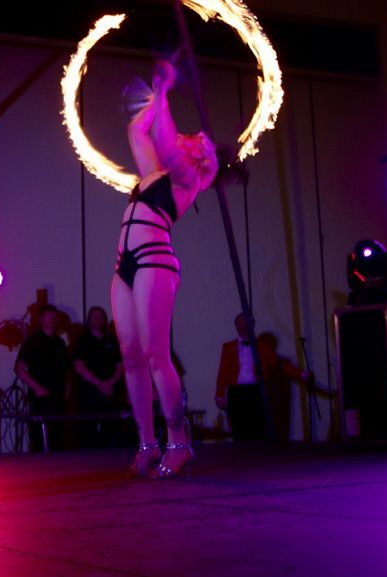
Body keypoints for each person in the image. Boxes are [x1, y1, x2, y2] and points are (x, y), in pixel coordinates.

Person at [112, 59, 241, 478]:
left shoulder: (187, 179)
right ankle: (147, 443)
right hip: (125, 266)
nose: (183, 140)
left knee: (154, 355)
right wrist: (154, 97)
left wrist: (164, 94)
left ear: (201, 157)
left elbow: (166, 143)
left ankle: (179, 441)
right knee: (131, 358)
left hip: (154, 262)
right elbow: (137, 132)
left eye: (191, 139)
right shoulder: (153, 175)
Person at [215, 312, 314, 441]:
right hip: (236, 392)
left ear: (252, 326)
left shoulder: (262, 346)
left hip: (255, 391)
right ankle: (240, 458)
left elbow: (280, 365)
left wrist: (302, 374)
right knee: (238, 429)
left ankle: (258, 458)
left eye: (246, 324)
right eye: (240, 324)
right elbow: (222, 372)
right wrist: (219, 394)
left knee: (257, 428)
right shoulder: (228, 347)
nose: (243, 327)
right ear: (236, 326)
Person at [16, 304, 71, 451]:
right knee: (40, 436)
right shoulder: (32, 342)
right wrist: (37, 388)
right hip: (40, 397)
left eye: (55, 316)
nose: (52, 319)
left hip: (58, 396)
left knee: (58, 436)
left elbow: (66, 370)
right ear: (40, 319)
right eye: (49, 316)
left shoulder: (60, 342)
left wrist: (67, 390)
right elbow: (20, 369)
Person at [71, 305, 125, 447]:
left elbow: (120, 366)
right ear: (89, 320)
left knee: (111, 429)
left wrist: (111, 382)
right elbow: (79, 367)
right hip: (89, 392)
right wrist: (99, 384)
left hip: (110, 391)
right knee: (88, 431)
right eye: (95, 316)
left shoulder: (112, 341)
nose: (98, 319)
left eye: (101, 316)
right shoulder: (82, 341)